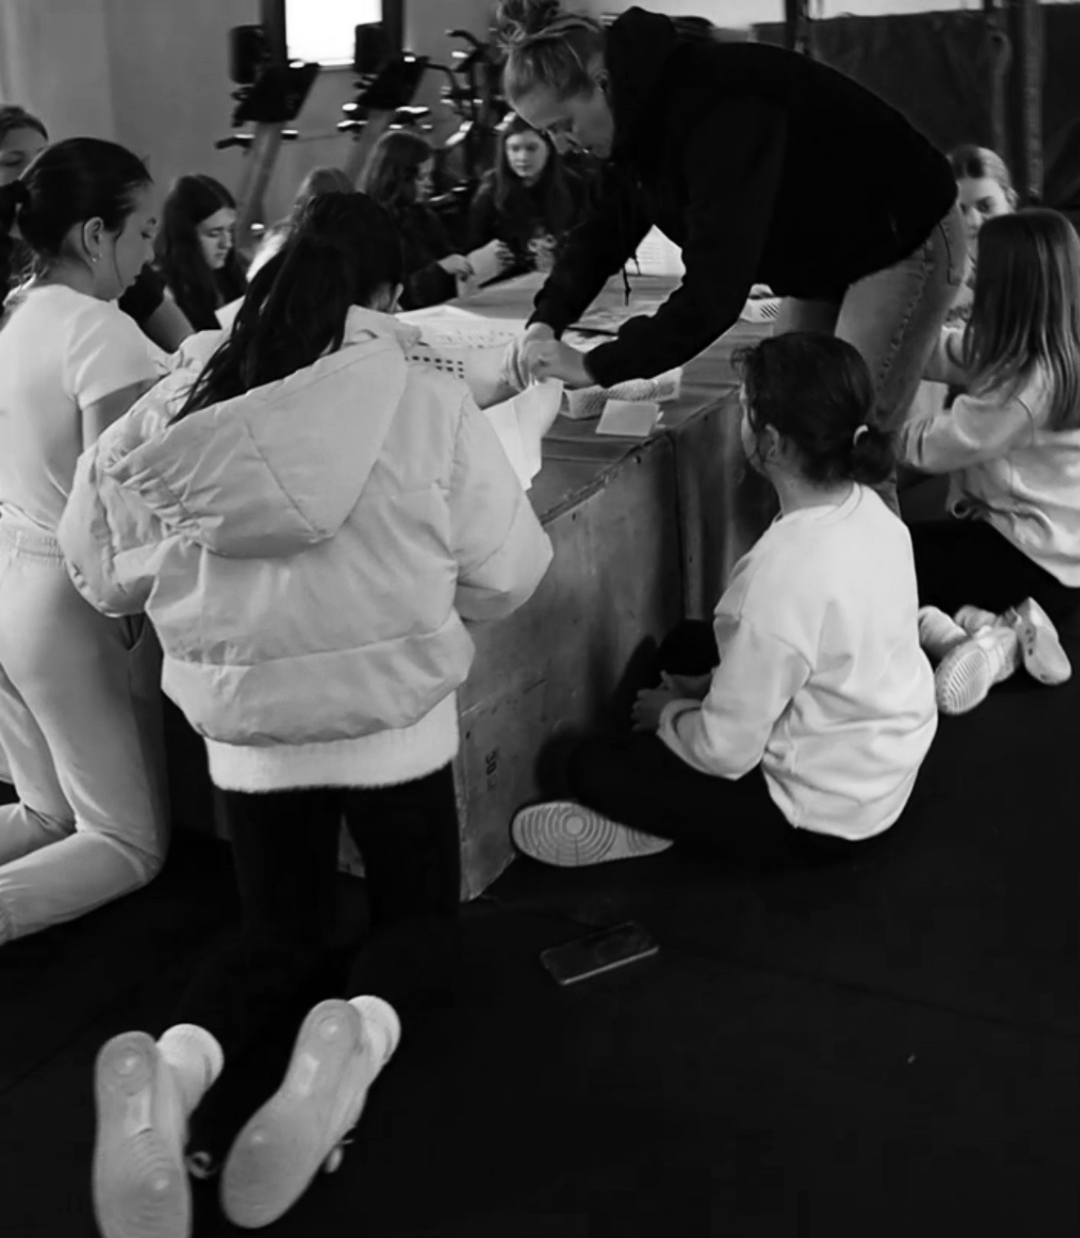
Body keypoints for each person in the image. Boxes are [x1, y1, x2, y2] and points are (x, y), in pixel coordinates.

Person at [60, 192, 552, 1238]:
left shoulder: (193, 387)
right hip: (392, 726)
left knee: (272, 930)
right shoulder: (425, 393)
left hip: (243, 730)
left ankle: (180, 1069)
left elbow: (106, 567)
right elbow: (509, 572)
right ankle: (354, 1041)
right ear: (384, 291)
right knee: (415, 923)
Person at [512, 332, 936, 869]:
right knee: (685, 644)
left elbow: (724, 753)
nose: (741, 420)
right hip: (881, 767)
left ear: (773, 444)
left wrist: (674, 713)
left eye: (744, 409)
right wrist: (705, 689)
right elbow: (810, 650)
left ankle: (660, 825)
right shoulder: (873, 512)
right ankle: (670, 810)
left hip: (820, 818)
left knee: (578, 763)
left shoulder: (778, 578)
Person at [496, 0, 965, 468]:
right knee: (789, 430)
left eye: (562, 125)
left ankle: (853, 539)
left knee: (846, 452)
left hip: (904, 237)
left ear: (600, 84)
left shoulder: (716, 105)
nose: (561, 144)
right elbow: (599, 236)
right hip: (828, 253)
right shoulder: (634, 126)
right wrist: (546, 320)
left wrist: (596, 365)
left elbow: (715, 291)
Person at [0, 140, 167, 942]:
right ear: (96, 234)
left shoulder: (16, 311)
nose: (149, 256)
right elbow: (112, 505)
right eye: (143, 233)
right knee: (127, 843)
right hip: (61, 598)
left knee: (44, 815)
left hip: (8, 582)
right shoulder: (99, 331)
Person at [901, 209, 1077, 716]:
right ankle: (995, 625)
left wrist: (873, 439)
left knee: (893, 562)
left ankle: (978, 636)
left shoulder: (1028, 383)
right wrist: (885, 338)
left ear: (1007, 288)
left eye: (982, 268)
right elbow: (946, 352)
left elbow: (941, 443)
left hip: (1032, 562)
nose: (972, 272)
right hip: (1052, 559)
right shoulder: (1043, 348)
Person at [0, 106, 192, 351]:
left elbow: (183, 340)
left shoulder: (109, 254)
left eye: (41, 158)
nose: (28, 172)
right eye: (12, 162)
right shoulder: (90, 321)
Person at [360, 129, 509, 308]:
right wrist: (441, 269)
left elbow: (449, 256)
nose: (429, 184)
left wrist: (482, 263)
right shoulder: (368, 226)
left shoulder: (421, 214)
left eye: (429, 175)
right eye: (421, 177)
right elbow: (391, 298)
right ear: (398, 178)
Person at [467, 114, 587, 280]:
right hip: (506, 283)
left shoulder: (573, 185)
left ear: (549, 149)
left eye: (531, 148)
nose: (522, 158)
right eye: (514, 149)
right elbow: (473, 248)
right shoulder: (490, 191)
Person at [154, 174, 246, 333]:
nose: (227, 243)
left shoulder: (231, 276)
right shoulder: (164, 292)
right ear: (185, 236)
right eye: (214, 234)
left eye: (230, 230)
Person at [946, 143, 1017, 325]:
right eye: (960, 211)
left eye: (985, 207)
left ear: (1010, 201)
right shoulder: (937, 281)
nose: (974, 222)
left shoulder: (1045, 263)